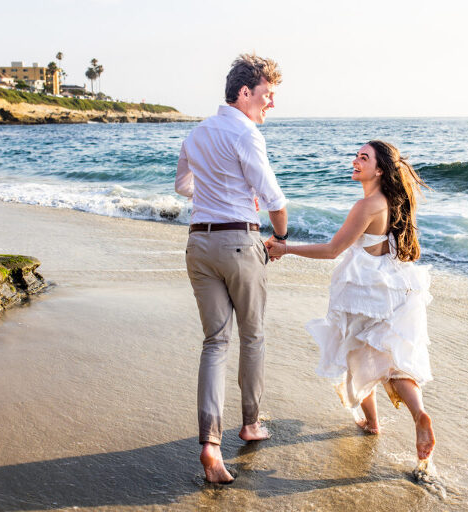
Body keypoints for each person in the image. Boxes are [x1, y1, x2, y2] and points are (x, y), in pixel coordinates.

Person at [266, 140, 436, 462]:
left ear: (380, 169)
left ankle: (373, 423)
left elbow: (333, 250)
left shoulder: (366, 205)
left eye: (364, 158)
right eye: (356, 156)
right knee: (392, 361)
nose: (355, 161)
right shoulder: (391, 201)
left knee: (356, 356)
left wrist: (286, 249)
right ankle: (418, 414)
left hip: (366, 292)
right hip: (394, 286)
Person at [175, 53, 288, 484]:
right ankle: (251, 423)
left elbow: (183, 184)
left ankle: (210, 443)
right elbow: (274, 198)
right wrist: (281, 236)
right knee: (252, 335)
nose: (271, 103)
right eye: (267, 94)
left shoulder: (197, 132)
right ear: (245, 92)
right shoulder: (246, 133)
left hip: (199, 244)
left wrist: (216, 191)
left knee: (215, 343)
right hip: (239, 242)